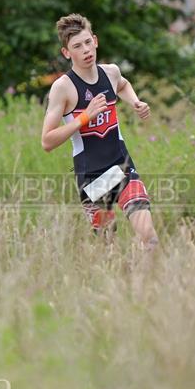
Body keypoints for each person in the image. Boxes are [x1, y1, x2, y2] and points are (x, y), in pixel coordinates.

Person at [41, 13, 158, 249]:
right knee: (109, 249)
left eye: (87, 42)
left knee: (149, 237)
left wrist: (135, 102)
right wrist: (85, 117)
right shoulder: (63, 88)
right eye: (77, 46)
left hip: (122, 167)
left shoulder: (111, 72)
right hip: (92, 177)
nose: (85, 50)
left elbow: (123, 85)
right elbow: (47, 141)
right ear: (67, 53)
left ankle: (149, 282)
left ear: (95, 40)